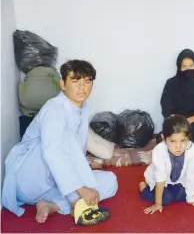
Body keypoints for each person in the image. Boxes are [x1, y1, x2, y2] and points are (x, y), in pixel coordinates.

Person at [1, 60, 118, 223]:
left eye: (87, 81)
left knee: (110, 181)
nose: (82, 87)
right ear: (63, 84)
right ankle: (71, 201)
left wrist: (82, 180)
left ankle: (51, 205)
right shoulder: (54, 109)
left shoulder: (82, 108)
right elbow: (53, 153)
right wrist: (79, 190)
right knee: (64, 143)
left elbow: (74, 153)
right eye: (75, 81)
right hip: (31, 178)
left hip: (53, 184)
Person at [140, 115, 194, 215]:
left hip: (177, 179)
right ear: (164, 138)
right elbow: (160, 178)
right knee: (166, 200)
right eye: (172, 141)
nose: (178, 147)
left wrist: (191, 198)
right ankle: (143, 188)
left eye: (183, 141)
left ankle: (173, 192)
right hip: (159, 179)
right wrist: (158, 203)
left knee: (183, 197)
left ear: (188, 138)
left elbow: (192, 175)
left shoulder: (192, 149)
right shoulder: (159, 150)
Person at [159, 49, 194, 146]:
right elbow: (166, 108)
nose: (188, 70)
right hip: (176, 123)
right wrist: (180, 123)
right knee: (164, 137)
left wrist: (188, 121)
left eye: (191, 66)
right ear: (179, 68)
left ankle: (189, 141)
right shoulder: (171, 84)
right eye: (184, 67)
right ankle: (189, 141)